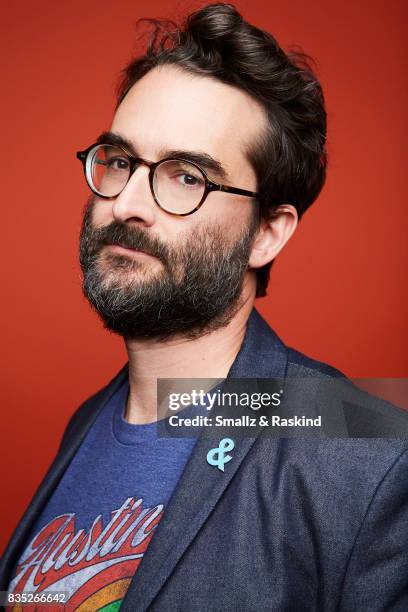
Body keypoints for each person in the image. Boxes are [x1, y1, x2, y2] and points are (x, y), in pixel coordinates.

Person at [1, 3, 407, 611]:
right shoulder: (88, 423)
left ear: (268, 232)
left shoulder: (368, 451)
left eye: (186, 176)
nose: (127, 203)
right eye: (119, 161)